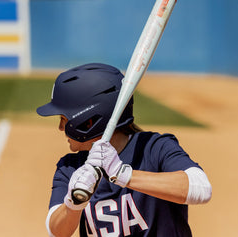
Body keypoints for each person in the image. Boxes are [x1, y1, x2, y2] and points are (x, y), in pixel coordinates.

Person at [37, 63, 212, 237]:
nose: (60, 127)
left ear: (88, 121)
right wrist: (73, 204)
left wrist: (123, 174)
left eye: (63, 118)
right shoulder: (70, 167)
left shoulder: (153, 147)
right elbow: (56, 232)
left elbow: (201, 188)